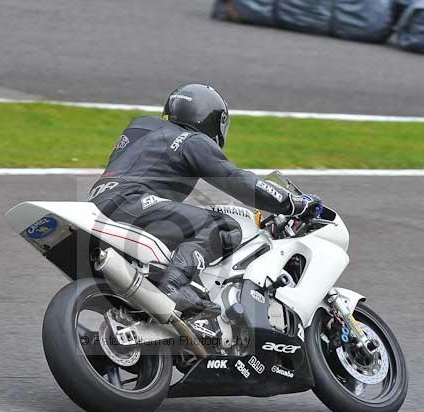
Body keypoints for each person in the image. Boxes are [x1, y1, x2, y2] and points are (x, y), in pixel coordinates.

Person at [88, 84, 323, 317]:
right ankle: (175, 285)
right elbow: (235, 179)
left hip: (98, 202)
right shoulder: (191, 141)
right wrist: (291, 202)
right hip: (132, 202)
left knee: (182, 230)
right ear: (211, 119)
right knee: (223, 226)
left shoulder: (140, 128)